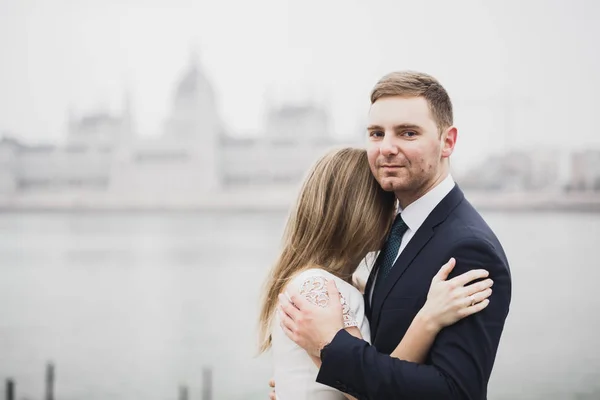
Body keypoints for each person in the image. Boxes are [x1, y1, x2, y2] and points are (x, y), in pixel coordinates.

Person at [277, 71, 512, 399]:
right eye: (376, 133)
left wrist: (332, 349)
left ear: (448, 141)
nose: (386, 148)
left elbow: (455, 392)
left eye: (408, 133)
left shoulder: (468, 248)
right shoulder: (390, 233)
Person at [258, 147, 494, 400]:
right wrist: (430, 318)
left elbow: (368, 374)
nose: (395, 216)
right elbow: (365, 390)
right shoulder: (317, 286)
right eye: (387, 204)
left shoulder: (348, 285)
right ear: (358, 212)